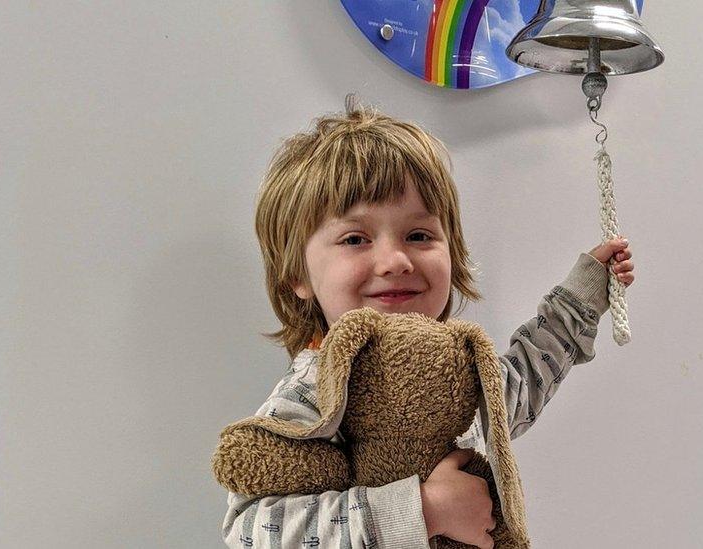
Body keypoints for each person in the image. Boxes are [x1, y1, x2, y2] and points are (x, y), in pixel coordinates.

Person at [220, 96, 635, 549]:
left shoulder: (454, 371)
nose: (396, 260)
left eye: (419, 236)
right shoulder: (314, 387)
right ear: (298, 275)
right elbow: (250, 532)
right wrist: (423, 510)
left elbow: (523, 377)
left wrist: (584, 294)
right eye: (355, 239)